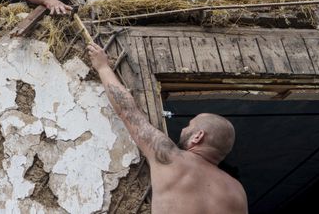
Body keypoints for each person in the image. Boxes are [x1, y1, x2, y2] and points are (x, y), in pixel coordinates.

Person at [87, 43, 248, 214]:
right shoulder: (237, 191)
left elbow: (128, 111)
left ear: (198, 136)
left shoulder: (171, 157)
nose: (183, 130)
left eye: (189, 126)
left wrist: (103, 67)